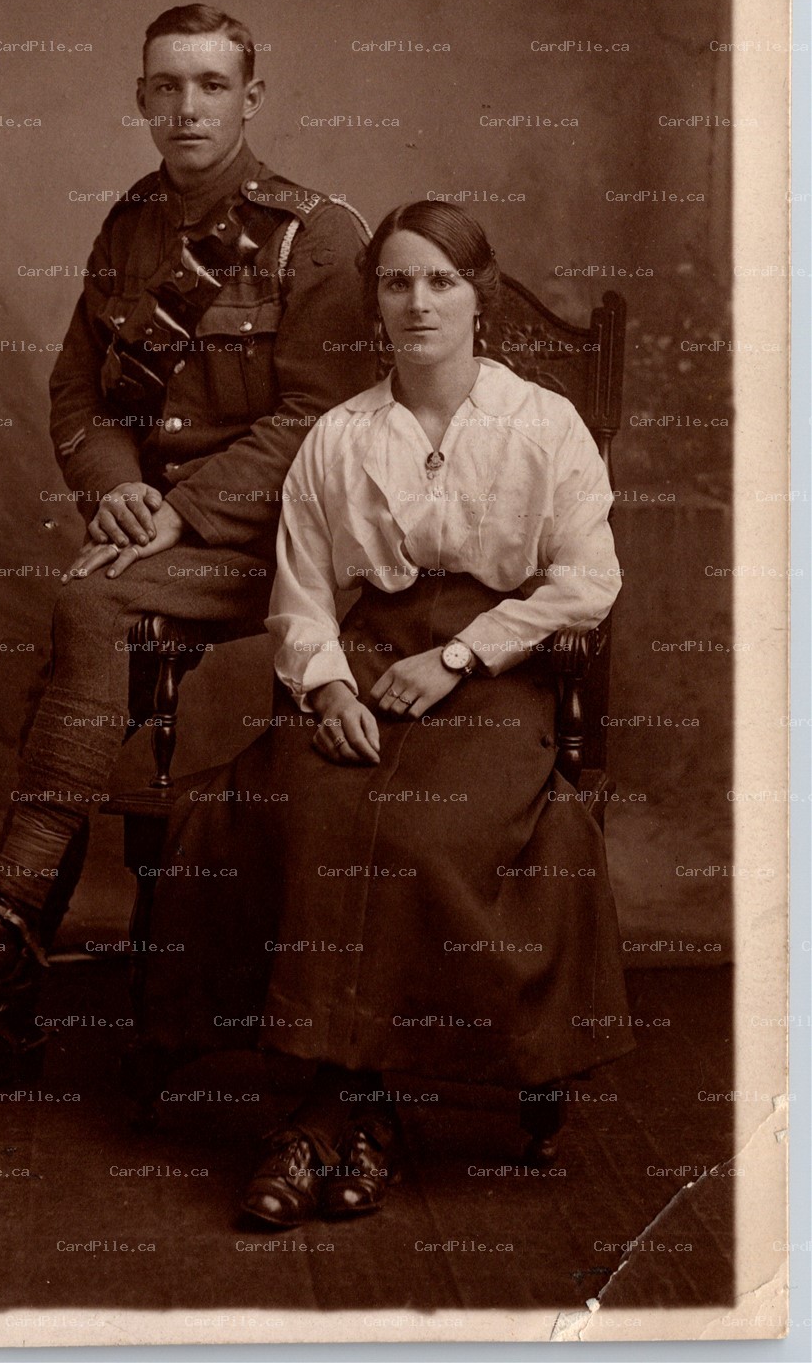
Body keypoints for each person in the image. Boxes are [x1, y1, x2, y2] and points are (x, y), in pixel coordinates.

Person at [0, 3, 375, 1103]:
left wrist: (183, 510)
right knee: (71, 657)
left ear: (253, 96)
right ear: (139, 96)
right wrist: (115, 493)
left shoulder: (318, 233)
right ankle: (10, 1000)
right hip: (153, 536)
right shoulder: (130, 224)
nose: (186, 108)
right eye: (165, 86)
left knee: (86, 612)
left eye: (210, 85)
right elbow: (78, 389)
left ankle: (7, 922)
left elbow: (322, 414)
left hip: (281, 544)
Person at [139, 199, 635, 1226]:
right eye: (398, 282)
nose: (419, 302)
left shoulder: (544, 425)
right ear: (374, 300)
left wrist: (459, 655)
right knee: (312, 809)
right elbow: (302, 594)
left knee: (417, 826)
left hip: (496, 674)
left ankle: (321, 1118)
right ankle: (358, 1117)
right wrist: (323, 686)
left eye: (441, 281)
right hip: (363, 660)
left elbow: (586, 584)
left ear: (477, 296)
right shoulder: (339, 434)